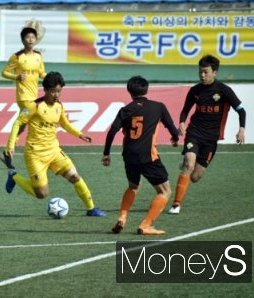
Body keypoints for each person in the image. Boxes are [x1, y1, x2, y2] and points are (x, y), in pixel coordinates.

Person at [4, 72, 105, 217]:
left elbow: (65, 123)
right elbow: (18, 123)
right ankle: (14, 176)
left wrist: (79, 134)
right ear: (45, 90)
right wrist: (11, 145)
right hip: (35, 155)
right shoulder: (34, 106)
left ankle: (91, 208)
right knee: (41, 194)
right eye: (53, 91)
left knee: (75, 176)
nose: (56, 95)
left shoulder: (59, 106)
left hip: (54, 151)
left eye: (59, 91)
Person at [168, 55, 246, 214]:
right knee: (189, 165)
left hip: (211, 139)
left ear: (214, 72)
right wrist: (182, 123)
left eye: (205, 72)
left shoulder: (224, 91)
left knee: (195, 177)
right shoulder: (195, 90)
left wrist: (241, 129)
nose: (202, 75)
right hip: (194, 133)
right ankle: (176, 204)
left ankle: (186, 165)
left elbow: (241, 111)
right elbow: (185, 110)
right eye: (200, 72)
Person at [102, 76, 179, 235]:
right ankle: (146, 225)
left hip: (129, 155)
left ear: (129, 91)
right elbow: (171, 126)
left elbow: (112, 132)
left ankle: (122, 217)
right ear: (147, 89)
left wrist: (106, 153)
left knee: (133, 186)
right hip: (148, 156)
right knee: (165, 191)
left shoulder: (125, 110)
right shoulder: (158, 107)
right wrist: (175, 137)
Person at [0, 26, 46, 169]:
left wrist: (51, 79)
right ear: (23, 40)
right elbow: (4, 72)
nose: (30, 40)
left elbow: (42, 73)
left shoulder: (38, 56)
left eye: (33, 37)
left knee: (23, 124)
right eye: (28, 37)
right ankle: (13, 150)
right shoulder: (17, 56)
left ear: (36, 40)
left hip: (34, 95)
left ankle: (7, 151)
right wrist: (17, 76)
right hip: (23, 96)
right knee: (29, 121)